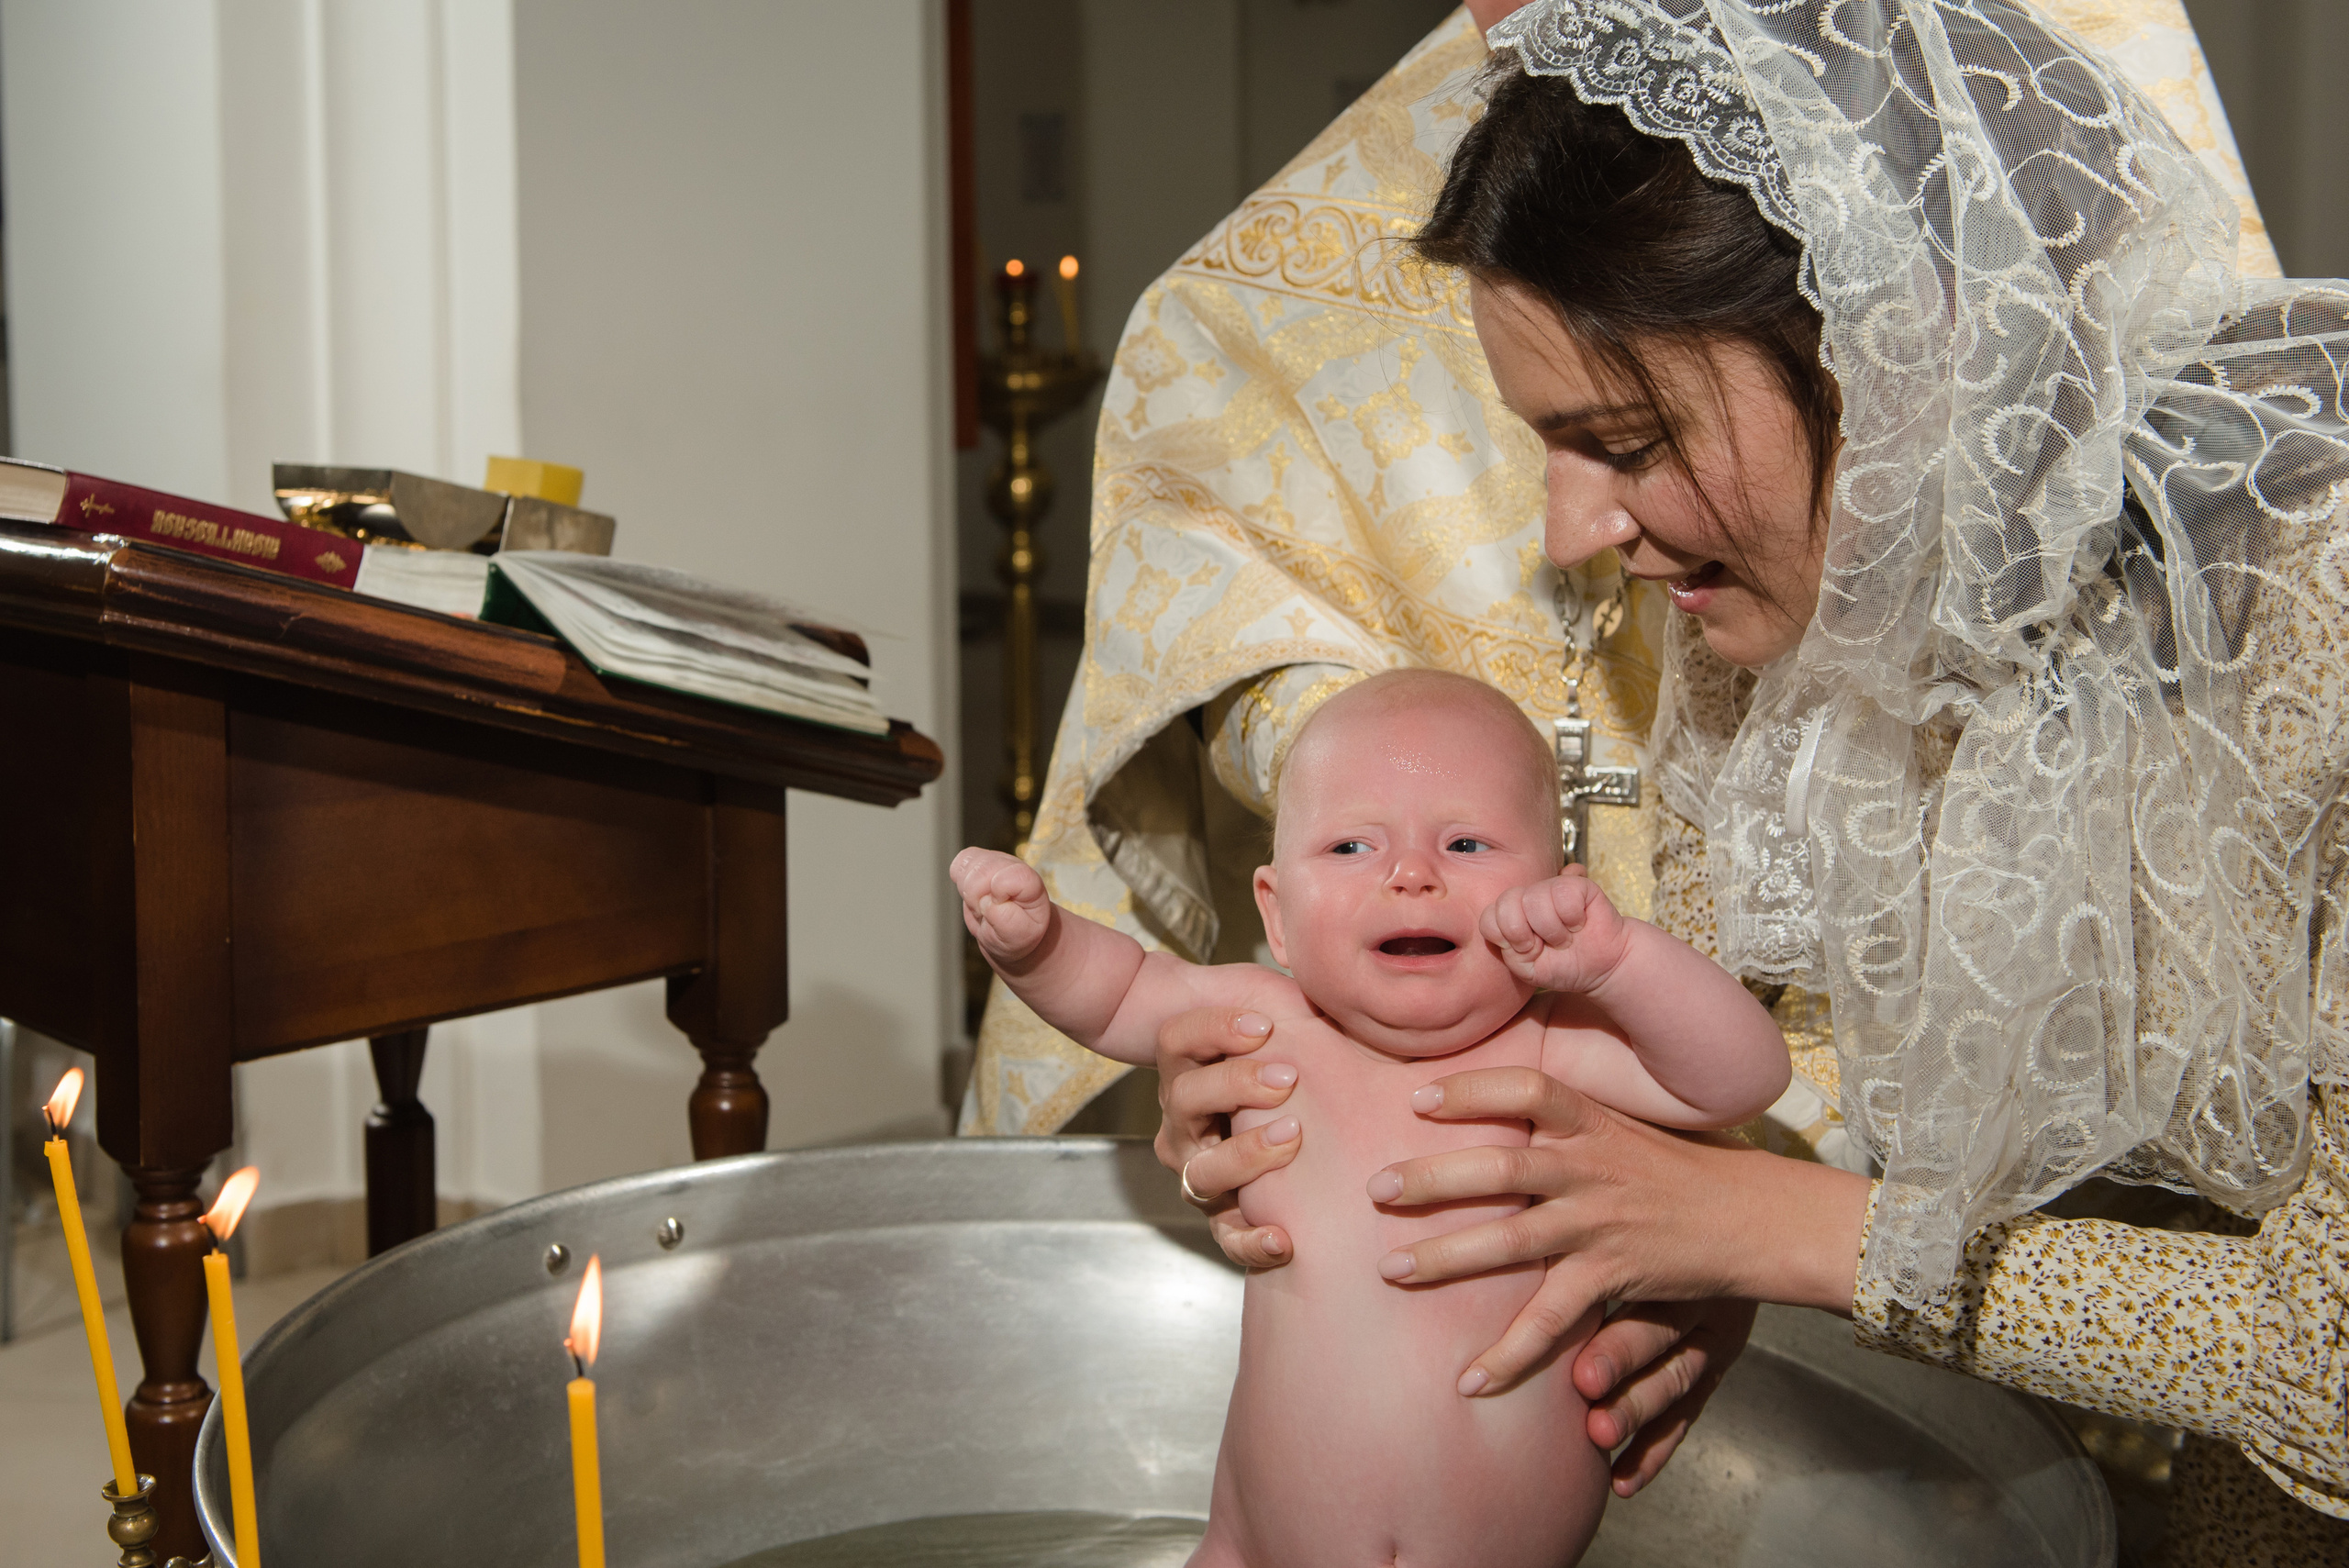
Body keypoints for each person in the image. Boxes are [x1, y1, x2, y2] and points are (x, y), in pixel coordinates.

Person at [1152, 3, 2349, 1562]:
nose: (1577, 530)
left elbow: (2332, 1351)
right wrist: (1305, 1066)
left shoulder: (2320, 612)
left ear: (1901, 345)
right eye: (1549, 447)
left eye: (1628, 437)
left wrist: (1780, 1231)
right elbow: (1728, 1052)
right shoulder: (1776, 620)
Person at [955, 668, 1789, 1568]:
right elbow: (1116, 989)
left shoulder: (1551, 1050)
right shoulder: (1263, 1021)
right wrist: (1037, 943)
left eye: (1466, 843)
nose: (1411, 875)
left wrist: (1621, 959)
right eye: (1351, 847)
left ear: (1555, 891)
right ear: (1276, 913)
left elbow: (1738, 1079)